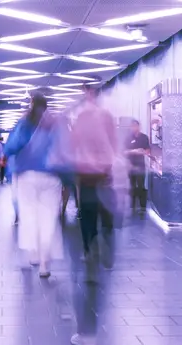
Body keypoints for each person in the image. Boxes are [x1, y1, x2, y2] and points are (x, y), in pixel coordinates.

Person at [5, 91, 64, 278]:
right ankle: (44, 265)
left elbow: (11, 147)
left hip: (26, 176)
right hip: (51, 176)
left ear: (31, 104)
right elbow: (65, 151)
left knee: (29, 216)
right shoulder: (55, 125)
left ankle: (33, 255)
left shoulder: (24, 123)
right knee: (48, 220)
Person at [69, 81, 119, 267]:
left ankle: (90, 247)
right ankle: (97, 244)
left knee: (89, 210)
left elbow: (74, 143)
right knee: (100, 210)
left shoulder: (83, 116)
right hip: (100, 171)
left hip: (90, 171)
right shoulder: (104, 115)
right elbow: (113, 143)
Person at [124, 119, 151, 213]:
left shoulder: (144, 137)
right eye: (132, 126)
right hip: (131, 165)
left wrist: (143, 151)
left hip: (141, 165)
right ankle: (132, 205)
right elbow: (123, 151)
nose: (133, 128)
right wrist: (134, 151)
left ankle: (142, 206)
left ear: (139, 126)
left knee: (141, 185)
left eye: (135, 126)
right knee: (132, 185)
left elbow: (148, 150)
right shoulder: (128, 138)